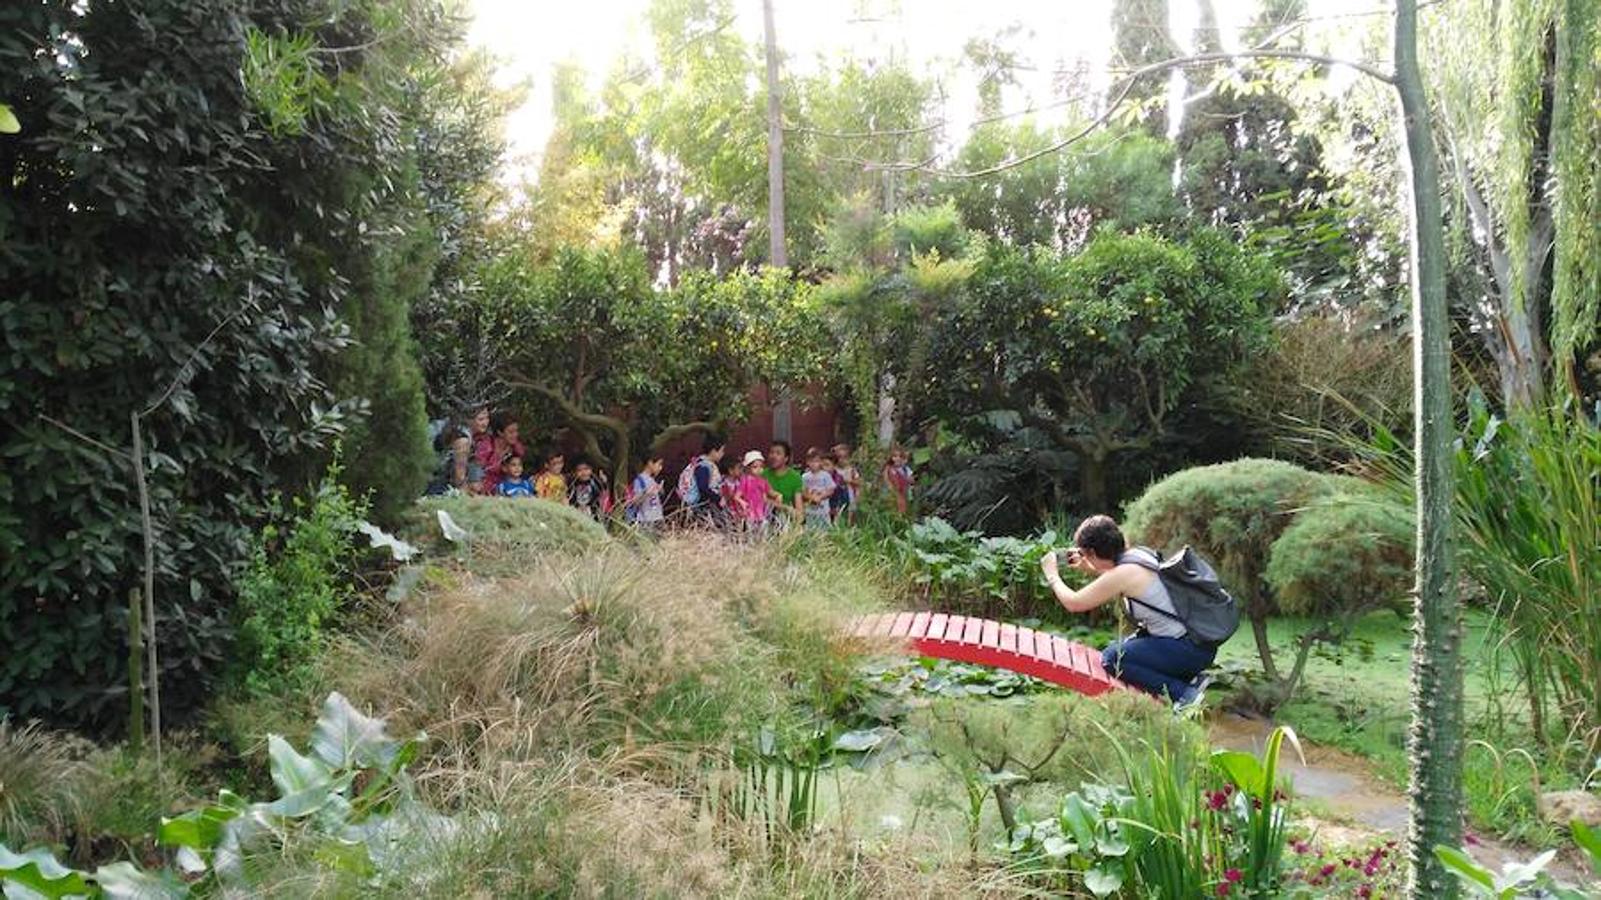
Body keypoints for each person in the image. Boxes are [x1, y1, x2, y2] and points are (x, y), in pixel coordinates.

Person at [1039, 515, 1214, 708]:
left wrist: (1052, 575)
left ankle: (1184, 695)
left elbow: (1074, 603)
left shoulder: (1122, 574)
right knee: (1123, 649)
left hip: (1187, 649)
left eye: (1084, 552)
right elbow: (1120, 577)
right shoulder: (1137, 555)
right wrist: (1090, 564)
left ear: (1092, 552)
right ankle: (1191, 679)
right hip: (1197, 644)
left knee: (1112, 659)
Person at [676, 434, 726, 524]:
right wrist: (718, 499)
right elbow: (703, 487)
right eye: (722, 451)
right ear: (714, 451)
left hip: (696, 504)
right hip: (700, 506)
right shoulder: (704, 466)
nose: (723, 454)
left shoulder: (698, 462)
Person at [734, 450, 783, 535]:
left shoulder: (763, 481)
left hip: (761, 511)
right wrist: (742, 502)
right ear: (748, 468)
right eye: (755, 467)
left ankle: (762, 546)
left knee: (763, 529)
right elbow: (736, 496)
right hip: (750, 511)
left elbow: (770, 491)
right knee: (750, 532)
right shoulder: (745, 480)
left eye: (761, 466)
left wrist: (778, 495)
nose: (759, 469)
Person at [762, 440, 804, 524]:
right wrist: (784, 507)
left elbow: (799, 507)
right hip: (765, 518)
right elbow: (761, 499)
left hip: (786, 520)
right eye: (771, 452)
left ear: (786, 458)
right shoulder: (763, 475)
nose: (773, 456)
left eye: (778, 453)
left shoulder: (795, 477)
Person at [626, 455, 667, 528]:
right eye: (659, 464)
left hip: (657, 519)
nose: (660, 468)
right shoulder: (639, 480)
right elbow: (635, 502)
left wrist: (660, 490)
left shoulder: (653, 480)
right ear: (650, 463)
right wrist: (647, 494)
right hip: (646, 521)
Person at [800, 447, 836, 530]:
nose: (813, 464)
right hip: (810, 510)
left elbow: (831, 490)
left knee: (824, 529)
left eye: (816, 461)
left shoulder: (825, 475)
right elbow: (803, 491)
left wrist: (821, 497)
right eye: (811, 461)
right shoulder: (805, 476)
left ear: (820, 462)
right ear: (807, 462)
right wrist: (811, 497)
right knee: (810, 529)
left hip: (823, 510)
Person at [830, 443, 861, 524]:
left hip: (850, 496)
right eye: (839, 457)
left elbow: (859, 482)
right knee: (837, 515)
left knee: (850, 515)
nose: (842, 460)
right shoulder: (834, 470)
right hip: (836, 497)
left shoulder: (852, 470)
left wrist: (849, 481)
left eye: (845, 457)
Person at [881, 445, 913, 515]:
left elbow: (911, 479)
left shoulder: (905, 468)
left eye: (900, 456)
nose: (898, 459)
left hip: (903, 490)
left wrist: (909, 480)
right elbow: (886, 478)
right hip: (893, 489)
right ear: (891, 458)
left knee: (903, 504)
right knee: (893, 504)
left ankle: (901, 516)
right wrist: (890, 485)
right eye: (895, 456)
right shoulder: (889, 468)